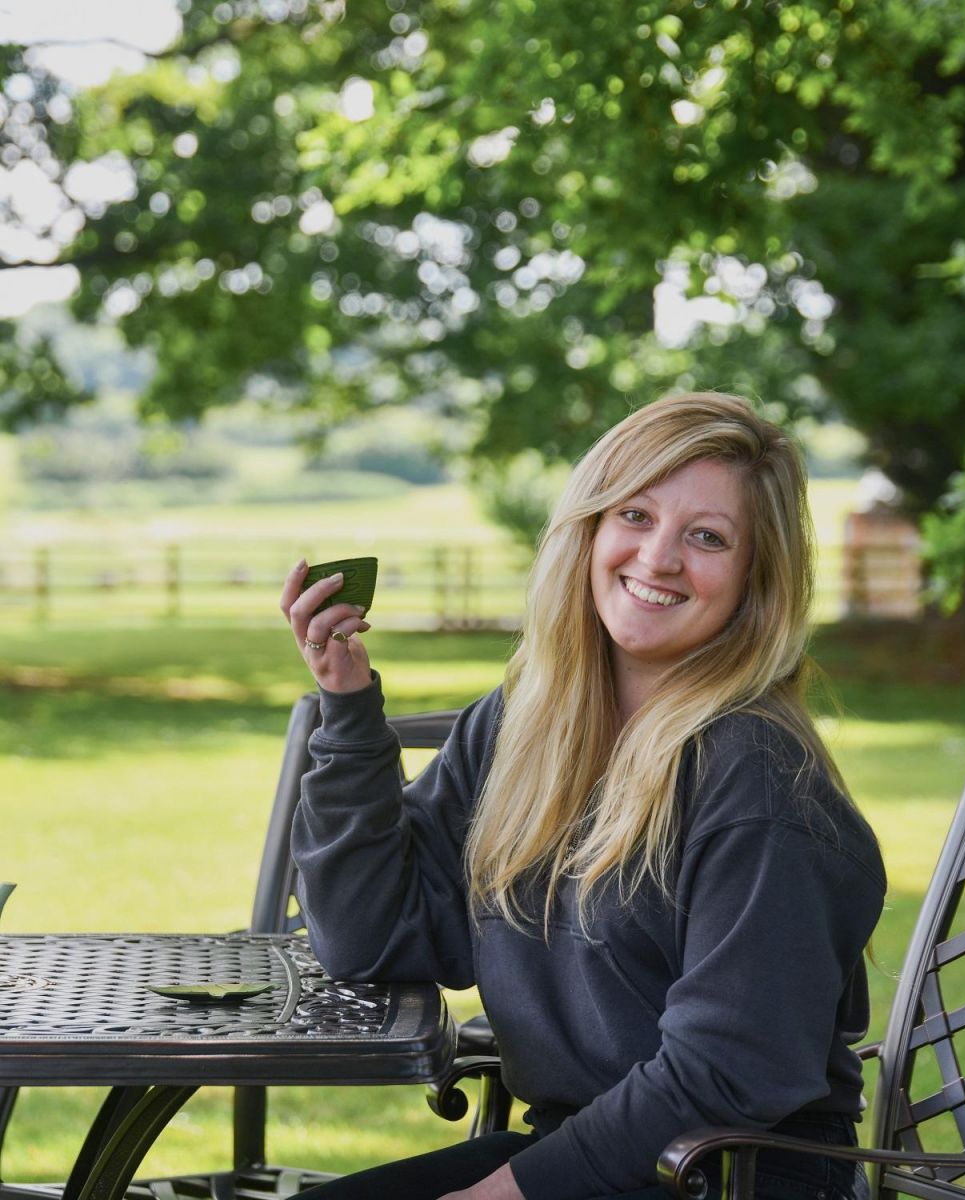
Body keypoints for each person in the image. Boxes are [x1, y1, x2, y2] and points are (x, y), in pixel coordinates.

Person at [280, 392, 885, 1200]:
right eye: (635, 515)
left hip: (730, 1176)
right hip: (585, 1156)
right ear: (589, 528)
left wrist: (500, 1195)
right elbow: (371, 938)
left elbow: (724, 1069)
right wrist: (349, 710)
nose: (659, 558)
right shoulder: (523, 726)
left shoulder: (760, 780)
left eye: (707, 537)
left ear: (755, 581)